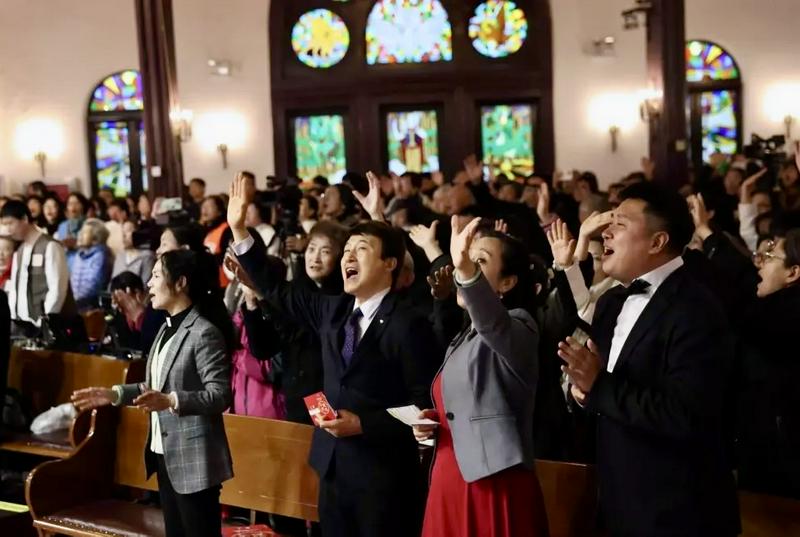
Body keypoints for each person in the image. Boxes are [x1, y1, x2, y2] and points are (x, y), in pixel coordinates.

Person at [227, 173, 437, 537]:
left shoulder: (408, 322)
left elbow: (426, 406)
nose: (348, 256)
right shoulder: (333, 310)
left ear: (389, 263)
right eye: (347, 250)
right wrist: (239, 229)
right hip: (333, 467)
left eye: (361, 249)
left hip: (383, 475)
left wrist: (365, 424)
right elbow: (275, 288)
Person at [557, 182, 740, 536]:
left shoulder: (697, 308)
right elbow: (603, 396)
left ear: (657, 242)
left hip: (680, 511)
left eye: (620, 224)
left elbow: (686, 414)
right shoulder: (610, 302)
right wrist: (581, 394)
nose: (606, 232)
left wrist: (599, 386)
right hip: (618, 501)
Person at [72, 249, 235, 537]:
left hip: (194, 459)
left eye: (157, 275)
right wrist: (113, 395)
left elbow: (220, 394)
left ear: (180, 283)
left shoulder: (203, 332)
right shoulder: (165, 328)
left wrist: (171, 400)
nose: (148, 283)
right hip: (165, 454)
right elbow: (154, 388)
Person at [413, 217, 549, 537]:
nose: (466, 268)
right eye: (467, 259)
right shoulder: (463, 337)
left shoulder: (520, 326)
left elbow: (493, 323)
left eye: (480, 262)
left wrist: (463, 268)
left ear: (507, 283)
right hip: (448, 473)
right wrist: (433, 422)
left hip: (492, 482)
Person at [1, 200, 74, 327]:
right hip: (22, 325)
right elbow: (15, 290)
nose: (8, 229)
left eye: (11, 223)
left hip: (47, 325)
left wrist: (43, 322)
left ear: (24, 219)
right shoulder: (20, 250)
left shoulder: (50, 246)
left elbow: (57, 290)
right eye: (5, 224)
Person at [70, 218, 112, 309]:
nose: (80, 235)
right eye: (81, 231)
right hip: (76, 304)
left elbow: (93, 286)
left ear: (95, 238)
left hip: (91, 306)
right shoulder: (79, 255)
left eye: (85, 232)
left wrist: (76, 301)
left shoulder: (101, 256)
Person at [112, 220, 156, 284]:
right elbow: (112, 283)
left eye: (128, 231)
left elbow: (145, 284)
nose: (123, 235)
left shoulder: (147, 256)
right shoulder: (120, 255)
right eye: (123, 232)